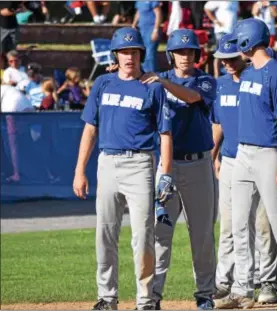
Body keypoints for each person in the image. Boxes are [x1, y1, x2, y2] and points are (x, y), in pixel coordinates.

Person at [72, 27, 174, 310]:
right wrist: (80, 170)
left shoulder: (152, 86)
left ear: (141, 54)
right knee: (104, 233)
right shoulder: (103, 84)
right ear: (115, 55)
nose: (129, 57)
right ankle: (107, 297)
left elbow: (165, 133)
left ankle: (145, 300)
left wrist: (165, 172)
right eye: (124, 52)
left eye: (134, 51)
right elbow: (90, 129)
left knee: (143, 235)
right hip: (107, 162)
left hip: (140, 163)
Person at [214, 18, 277, 309]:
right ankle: (242, 288)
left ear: (247, 42)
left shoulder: (276, 73)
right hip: (242, 154)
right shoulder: (249, 72)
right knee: (240, 225)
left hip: (268, 155)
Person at [139, 28, 217, 310]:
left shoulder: (205, 81)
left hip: (198, 163)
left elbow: (192, 97)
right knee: (161, 233)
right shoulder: (158, 82)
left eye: (191, 51)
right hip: (167, 165)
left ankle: (205, 294)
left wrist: (160, 82)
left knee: (202, 234)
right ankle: (153, 297)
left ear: (197, 55)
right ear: (171, 55)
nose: (186, 56)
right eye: (181, 51)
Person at [211, 34, 277, 305]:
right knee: (231, 225)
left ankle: (268, 282)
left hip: (260, 155)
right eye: (222, 59)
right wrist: (213, 155)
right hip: (229, 160)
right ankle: (231, 283)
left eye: (231, 58)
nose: (227, 63)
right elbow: (218, 122)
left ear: (245, 54)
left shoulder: (260, 78)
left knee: (264, 225)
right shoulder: (221, 85)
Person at [203, 1, 239, 78]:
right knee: (220, 54)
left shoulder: (236, 1)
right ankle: (217, 76)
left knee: (230, 54)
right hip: (222, 31)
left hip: (232, 32)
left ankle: (229, 75)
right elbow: (206, 8)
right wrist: (215, 21)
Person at [132, 1, 162, 72]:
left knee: (150, 54)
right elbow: (138, 12)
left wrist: (155, 30)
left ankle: (153, 75)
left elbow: (159, 14)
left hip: (151, 30)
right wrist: (134, 24)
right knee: (143, 53)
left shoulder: (153, 1)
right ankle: (144, 74)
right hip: (142, 30)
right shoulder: (138, 2)